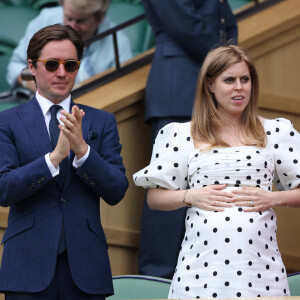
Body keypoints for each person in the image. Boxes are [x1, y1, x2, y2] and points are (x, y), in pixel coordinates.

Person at [133, 45, 300, 298]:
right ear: (210, 85)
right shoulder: (180, 134)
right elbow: (154, 199)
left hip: (261, 271)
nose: (239, 87)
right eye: (229, 80)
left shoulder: (275, 131)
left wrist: (274, 198)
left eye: (245, 79)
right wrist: (191, 196)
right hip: (199, 272)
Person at [0, 24, 128, 299]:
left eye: (70, 65)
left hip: (86, 267)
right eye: (51, 64)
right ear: (32, 67)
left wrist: (82, 151)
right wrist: (54, 158)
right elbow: (4, 189)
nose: (62, 73)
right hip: (26, 266)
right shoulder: (7, 121)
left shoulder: (102, 121)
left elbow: (117, 190)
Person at [139, 0, 238, 279]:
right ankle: (157, 280)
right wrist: (227, 60)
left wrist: (227, 61)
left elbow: (228, 23)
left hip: (212, 97)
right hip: (177, 92)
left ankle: (205, 276)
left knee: (212, 187)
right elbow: (188, 27)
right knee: (169, 190)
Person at [6, 0, 132, 92]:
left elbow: (124, 89)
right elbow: (15, 66)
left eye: (81, 21)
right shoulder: (45, 20)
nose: (72, 26)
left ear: (100, 18)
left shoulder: (118, 42)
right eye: (68, 18)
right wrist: (36, 85)